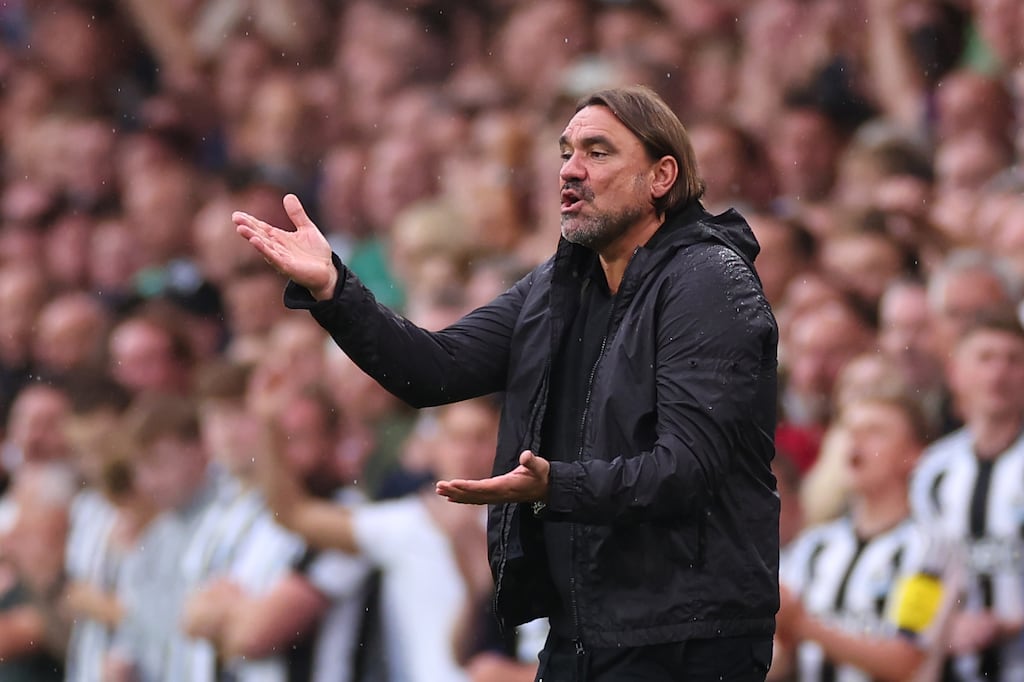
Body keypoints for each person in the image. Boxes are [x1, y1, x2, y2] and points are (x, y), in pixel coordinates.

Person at [234, 85, 780, 681]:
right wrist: (335, 289)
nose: (570, 170)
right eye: (566, 151)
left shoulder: (707, 279)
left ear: (661, 176)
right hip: (583, 629)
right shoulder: (559, 284)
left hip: (688, 639)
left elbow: (686, 468)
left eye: (598, 153)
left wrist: (554, 486)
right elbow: (434, 369)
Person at [772, 390, 954, 681]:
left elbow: (904, 661)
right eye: (850, 430)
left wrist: (803, 624)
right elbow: (784, 655)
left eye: (875, 432)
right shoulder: (814, 545)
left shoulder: (930, 547)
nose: (855, 441)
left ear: (913, 455)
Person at [910, 310, 1024, 680]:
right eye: (985, 358)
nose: (998, 374)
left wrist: (1009, 623)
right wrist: (915, 636)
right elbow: (925, 574)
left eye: (1014, 360)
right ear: (956, 372)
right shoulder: (934, 471)